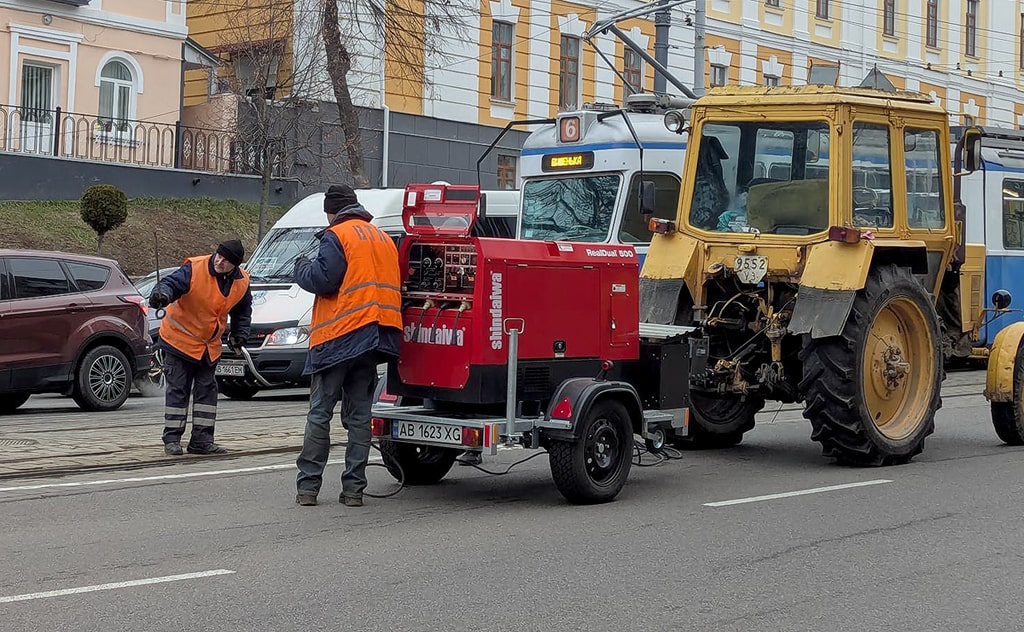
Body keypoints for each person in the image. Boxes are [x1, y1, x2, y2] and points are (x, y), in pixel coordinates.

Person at [293, 184, 402, 507]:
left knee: (320, 413)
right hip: (375, 337)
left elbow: (323, 281)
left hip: (339, 336)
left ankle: (308, 488)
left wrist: (301, 268)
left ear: (331, 211)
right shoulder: (381, 237)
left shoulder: (337, 235)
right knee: (359, 417)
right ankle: (353, 489)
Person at [149, 240, 253, 456]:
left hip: (208, 346)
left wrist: (239, 334)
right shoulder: (194, 269)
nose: (219, 261)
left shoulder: (242, 282)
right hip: (179, 341)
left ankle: (202, 440)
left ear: (235, 265)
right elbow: (171, 284)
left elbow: (242, 311)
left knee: (207, 392)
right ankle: (172, 439)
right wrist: (162, 295)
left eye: (225, 261)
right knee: (178, 390)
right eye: (218, 256)